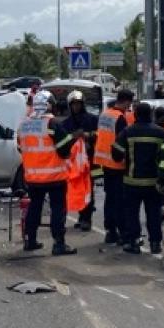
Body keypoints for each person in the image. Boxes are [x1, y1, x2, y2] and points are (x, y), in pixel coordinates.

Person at [17, 91, 76, 256]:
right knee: (58, 210)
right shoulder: (53, 124)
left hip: (33, 177)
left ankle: (30, 240)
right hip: (54, 176)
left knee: (34, 208)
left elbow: (20, 147)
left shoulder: (23, 124)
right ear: (50, 104)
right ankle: (59, 244)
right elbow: (64, 149)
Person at [112, 101, 164, 254]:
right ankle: (155, 243)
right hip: (153, 182)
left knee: (132, 214)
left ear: (135, 115)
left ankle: (134, 242)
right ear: (150, 114)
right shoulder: (160, 133)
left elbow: (116, 153)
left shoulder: (128, 132)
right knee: (154, 214)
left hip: (131, 182)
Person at [94, 89, 135, 244]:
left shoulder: (105, 114)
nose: (129, 107)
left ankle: (110, 231)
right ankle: (123, 233)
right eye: (129, 104)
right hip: (117, 164)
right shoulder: (120, 118)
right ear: (125, 101)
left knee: (110, 199)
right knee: (120, 200)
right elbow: (121, 143)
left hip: (105, 162)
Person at [58, 90, 99, 231]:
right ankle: (81, 216)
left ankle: (87, 218)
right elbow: (63, 141)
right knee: (76, 190)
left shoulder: (92, 119)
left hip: (89, 161)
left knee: (88, 189)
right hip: (73, 162)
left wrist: (89, 136)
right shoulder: (65, 123)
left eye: (78, 104)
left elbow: (100, 135)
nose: (76, 107)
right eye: (74, 104)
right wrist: (73, 137)